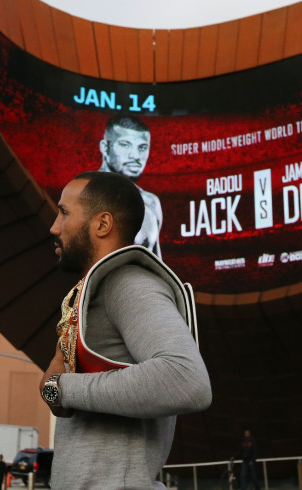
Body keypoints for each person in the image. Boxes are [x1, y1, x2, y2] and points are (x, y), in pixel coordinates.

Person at [39, 171, 212, 489]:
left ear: (102, 224)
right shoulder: (101, 288)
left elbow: (188, 381)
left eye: (64, 212)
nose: (54, 226)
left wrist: (61, 388)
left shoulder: (129, 284)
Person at [99, 114, 164, 258]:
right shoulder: (84, 193)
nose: (135, 155)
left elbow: (158, 267)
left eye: (142, 147)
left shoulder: (151, 203)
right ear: (105, 147)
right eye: (125, 144)